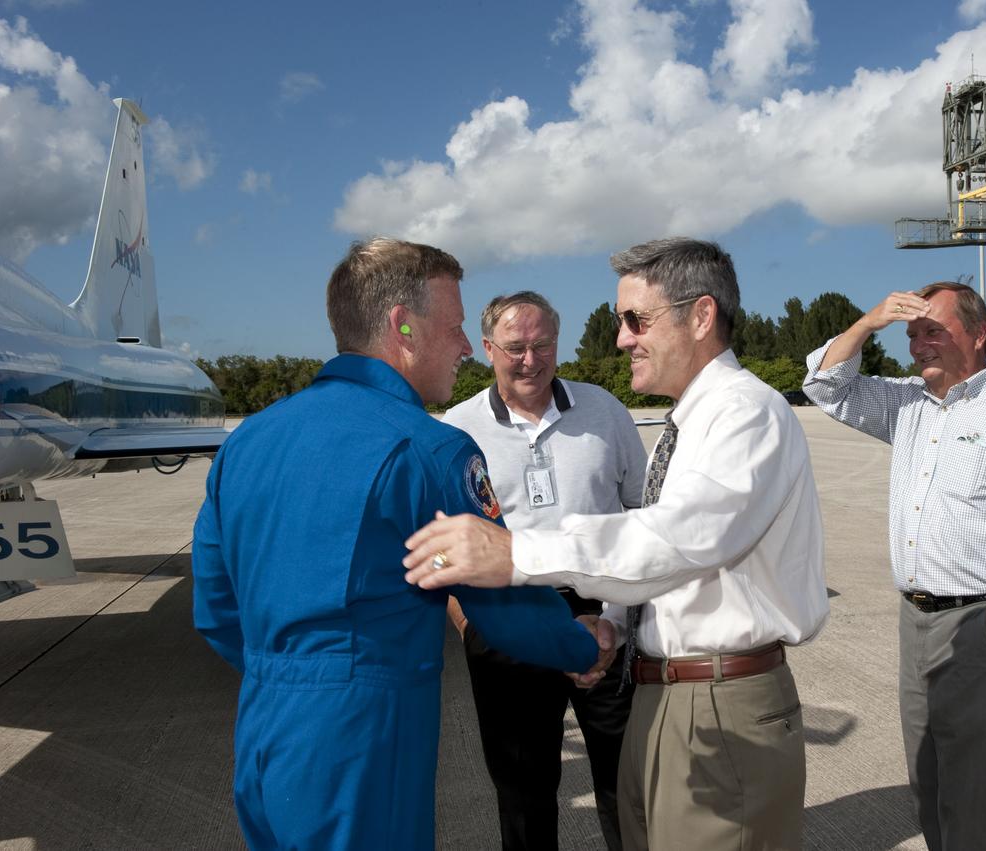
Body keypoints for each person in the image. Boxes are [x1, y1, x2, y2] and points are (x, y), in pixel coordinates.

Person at [401, 237, 829, 851]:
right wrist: (614, 626)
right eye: (621, 320)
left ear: (701, 316)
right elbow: (668, 545)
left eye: (636, 319)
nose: (622, 338)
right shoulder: (692, 419)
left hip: (712, 696)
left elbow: (676, 537)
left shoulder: (743, 414)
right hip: (640, 668)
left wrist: (516, 554)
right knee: (535, 796)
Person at [191, 238, 604, 851]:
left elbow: (216, 610)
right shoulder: (429, 450)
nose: (467, 347)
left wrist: (294, 678)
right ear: (403, 327)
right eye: (456, 327)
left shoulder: (247, 443)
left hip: (263, 732)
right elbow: (500, 602)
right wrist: (584, 642)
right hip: (363, 742)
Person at [801, 282, 986, 850]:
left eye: (933, 331)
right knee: (927, 775)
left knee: (973, 788)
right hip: (916, 620)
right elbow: (824, 386)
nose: (918, 345)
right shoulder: (908, 406)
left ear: (978, 334)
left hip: (980, 620)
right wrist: (868, 323)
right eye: (911, 335)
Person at [443, 291, 647, 851]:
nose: (530, 360)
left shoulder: (605, 410)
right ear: (488, 348)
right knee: (523, 793)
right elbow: (442, 544)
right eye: (515, 348)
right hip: (507, 618)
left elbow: (644, 515)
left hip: (604, 614)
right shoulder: (458, 430)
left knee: (627, 785)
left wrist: (618, 618)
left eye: (543, 345)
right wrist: (469, 624)